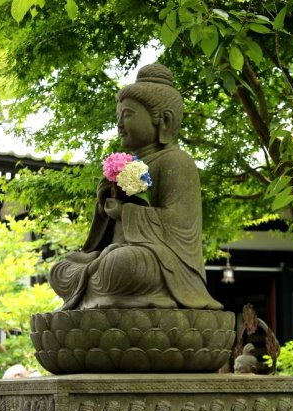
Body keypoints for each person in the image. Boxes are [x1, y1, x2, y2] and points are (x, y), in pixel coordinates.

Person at [50, 63, 222, 311]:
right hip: (114, 253)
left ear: (163, 121)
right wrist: (103, 207)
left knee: (122, 264)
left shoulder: (176, 161)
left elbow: (180, 223)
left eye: (128, 115)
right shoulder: (126, 163)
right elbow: (102, 238)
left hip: (159, 263)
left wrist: (125, 213)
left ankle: (104, 282)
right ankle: (98, 280)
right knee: (62, 269)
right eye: (118, 116)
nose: (119, 124)